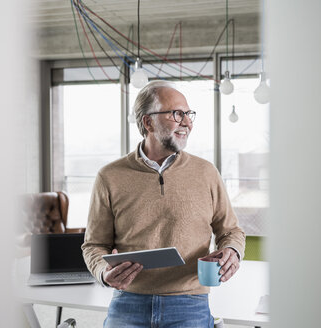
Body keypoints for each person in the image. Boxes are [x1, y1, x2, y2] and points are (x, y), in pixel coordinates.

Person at [82, 80, 245, 328]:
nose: (187, 122)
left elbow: (230, 231)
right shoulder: (110, 176)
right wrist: (103, 273)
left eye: (189, 115)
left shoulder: (206, 172)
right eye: (176, 114)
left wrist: (232, 251)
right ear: (148, 122)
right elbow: (94, 245)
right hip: (128, 302)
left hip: (189, 302)